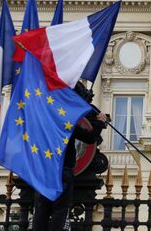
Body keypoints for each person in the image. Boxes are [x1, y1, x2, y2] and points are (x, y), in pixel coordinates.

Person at [32, 82, 107, 231]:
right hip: (63, 169)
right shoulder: (64, 120)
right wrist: (100, 122)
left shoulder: (42, 117)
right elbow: (90, 137)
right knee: (60, 210)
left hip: (43, 170)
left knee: (41, 210)